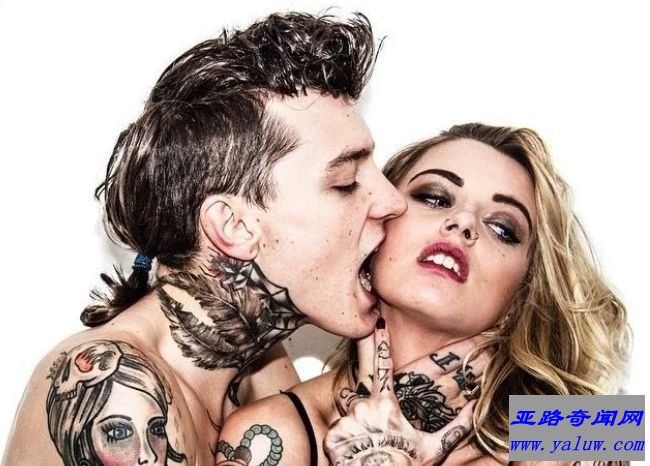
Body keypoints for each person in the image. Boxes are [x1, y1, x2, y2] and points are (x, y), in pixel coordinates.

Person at [3, 12, 482, 466]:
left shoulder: (256, 371)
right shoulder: (124, 391)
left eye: (506, 229)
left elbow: (532, 423)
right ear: (234, 226)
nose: (392, 201)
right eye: (345, 182)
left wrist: (531, 425)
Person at [218, 123, 630, 465]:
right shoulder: (272, 434)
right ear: (376, 225)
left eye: (503, 228)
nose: (463, 221)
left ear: (522, 294)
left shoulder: (586, 429)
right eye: (434, 198)